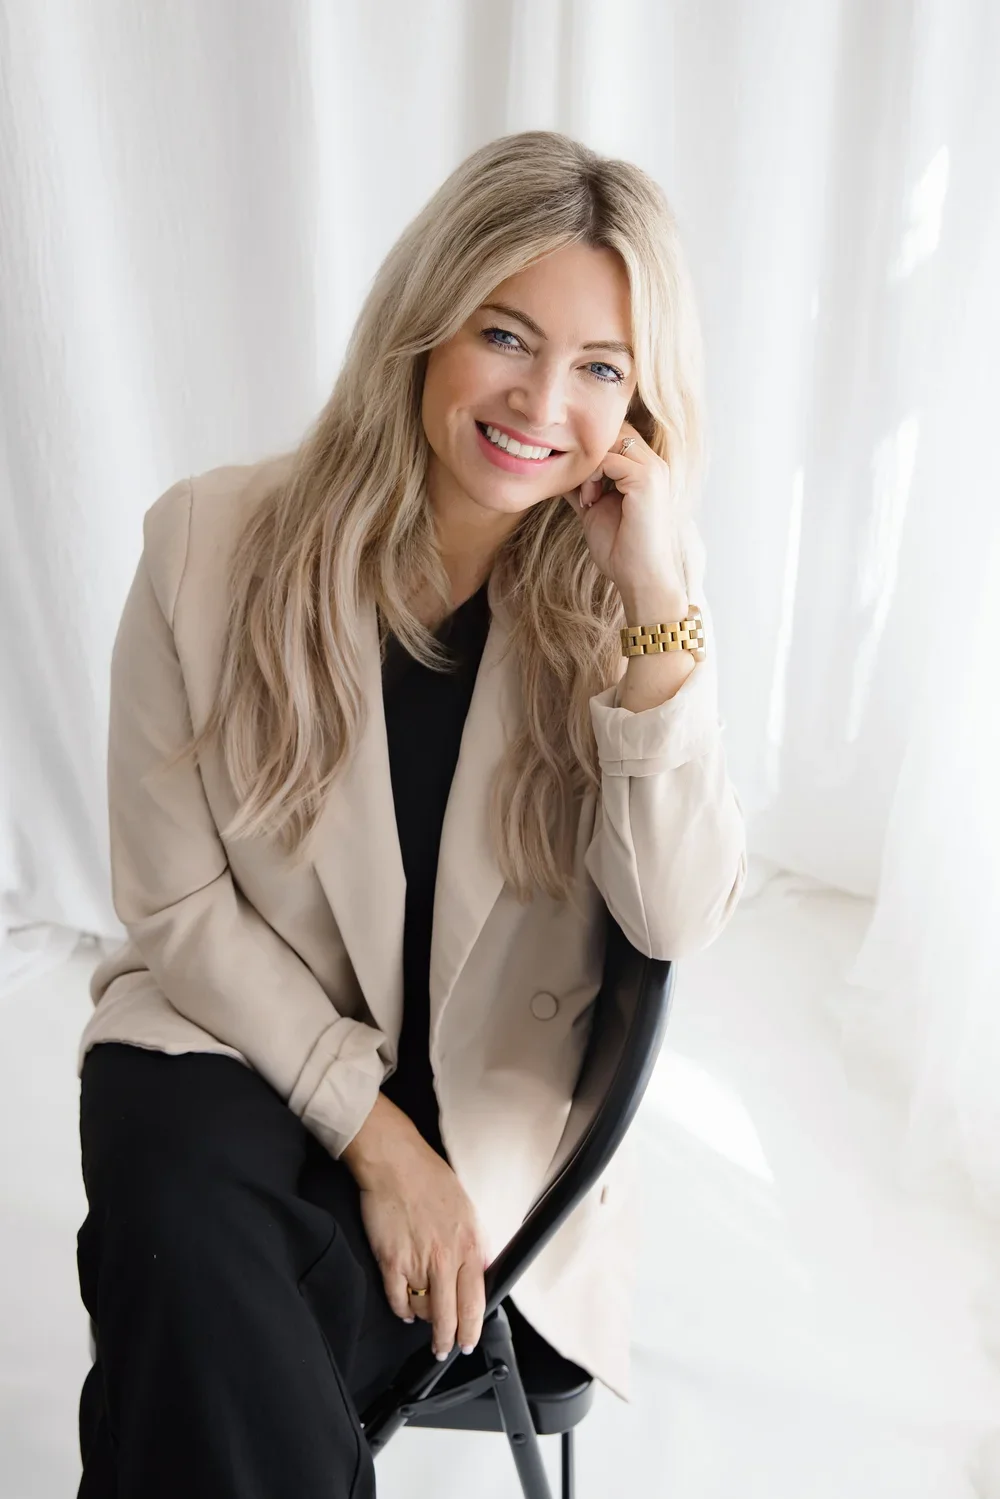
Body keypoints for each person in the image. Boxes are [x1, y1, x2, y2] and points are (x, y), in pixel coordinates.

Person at [74, 128, 746, 1498]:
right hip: (237, 1043)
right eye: (507, 334)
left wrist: (660, 605)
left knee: (191, 1291)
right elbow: (176, 906)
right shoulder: (206, 546)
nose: (542, 400)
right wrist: (376, 1140)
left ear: (640, 408)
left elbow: (675, 913)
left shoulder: (630, 608)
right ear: (426, 322)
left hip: (476, 1136)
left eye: (601, 368)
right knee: (173, 1166)